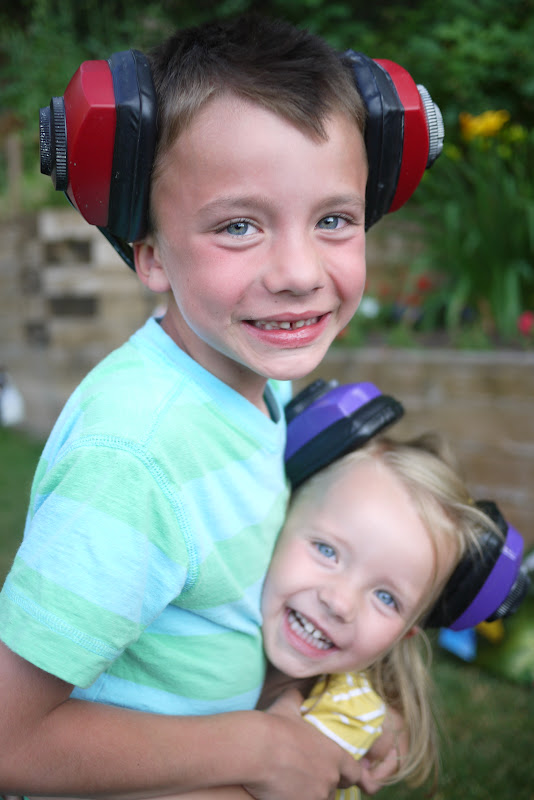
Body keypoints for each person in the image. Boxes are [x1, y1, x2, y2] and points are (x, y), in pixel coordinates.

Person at [0, 15, 401, 800]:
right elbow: (10, 740)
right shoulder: (134, 458)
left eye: (333, 220)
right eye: (239, 226)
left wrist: (315, 707)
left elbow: (215, 611)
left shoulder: (251, 383)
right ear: (150, 254)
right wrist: (262, 749)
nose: (298, 272)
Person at [133, 427, 521, 800]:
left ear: (405, 633)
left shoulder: (349, 713)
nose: (340, 603)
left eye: (386, 598)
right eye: (327, 551)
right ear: (276, 523)